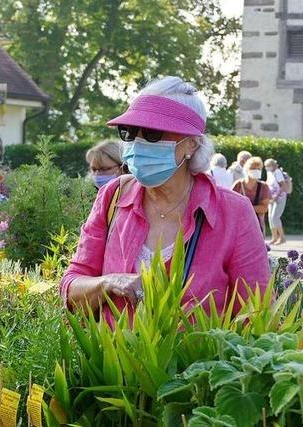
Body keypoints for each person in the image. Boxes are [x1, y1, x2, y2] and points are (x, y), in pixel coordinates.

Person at [60, 76, 270, 323]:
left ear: (191, 144)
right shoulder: (113, 197)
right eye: (128, 132)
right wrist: (108, 282)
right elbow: (71, 287)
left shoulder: (233, 211)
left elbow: (258, 315)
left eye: (151, 133)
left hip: (198, 361)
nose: (137, 143)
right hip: (112, 360)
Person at [232, 157, 270, 234]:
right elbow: (230, 204)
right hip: (239, 225)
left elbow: (264, 208)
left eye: (258, 169)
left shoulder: (263, 186)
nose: (256, 171)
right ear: (247, 169)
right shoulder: (238, 185)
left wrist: (245, 208)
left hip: (257, 226)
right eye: (253, 168)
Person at [265, 158, 287, 245]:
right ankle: (274, 238)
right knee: (270, 217)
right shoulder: (269, 172)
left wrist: (276, 196)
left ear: (273, 165)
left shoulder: (277, 172)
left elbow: (283, 186)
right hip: (271, 198)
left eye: (268, 166)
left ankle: (282, 238)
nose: (267, 168)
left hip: (280, 198)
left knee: (275, 217)